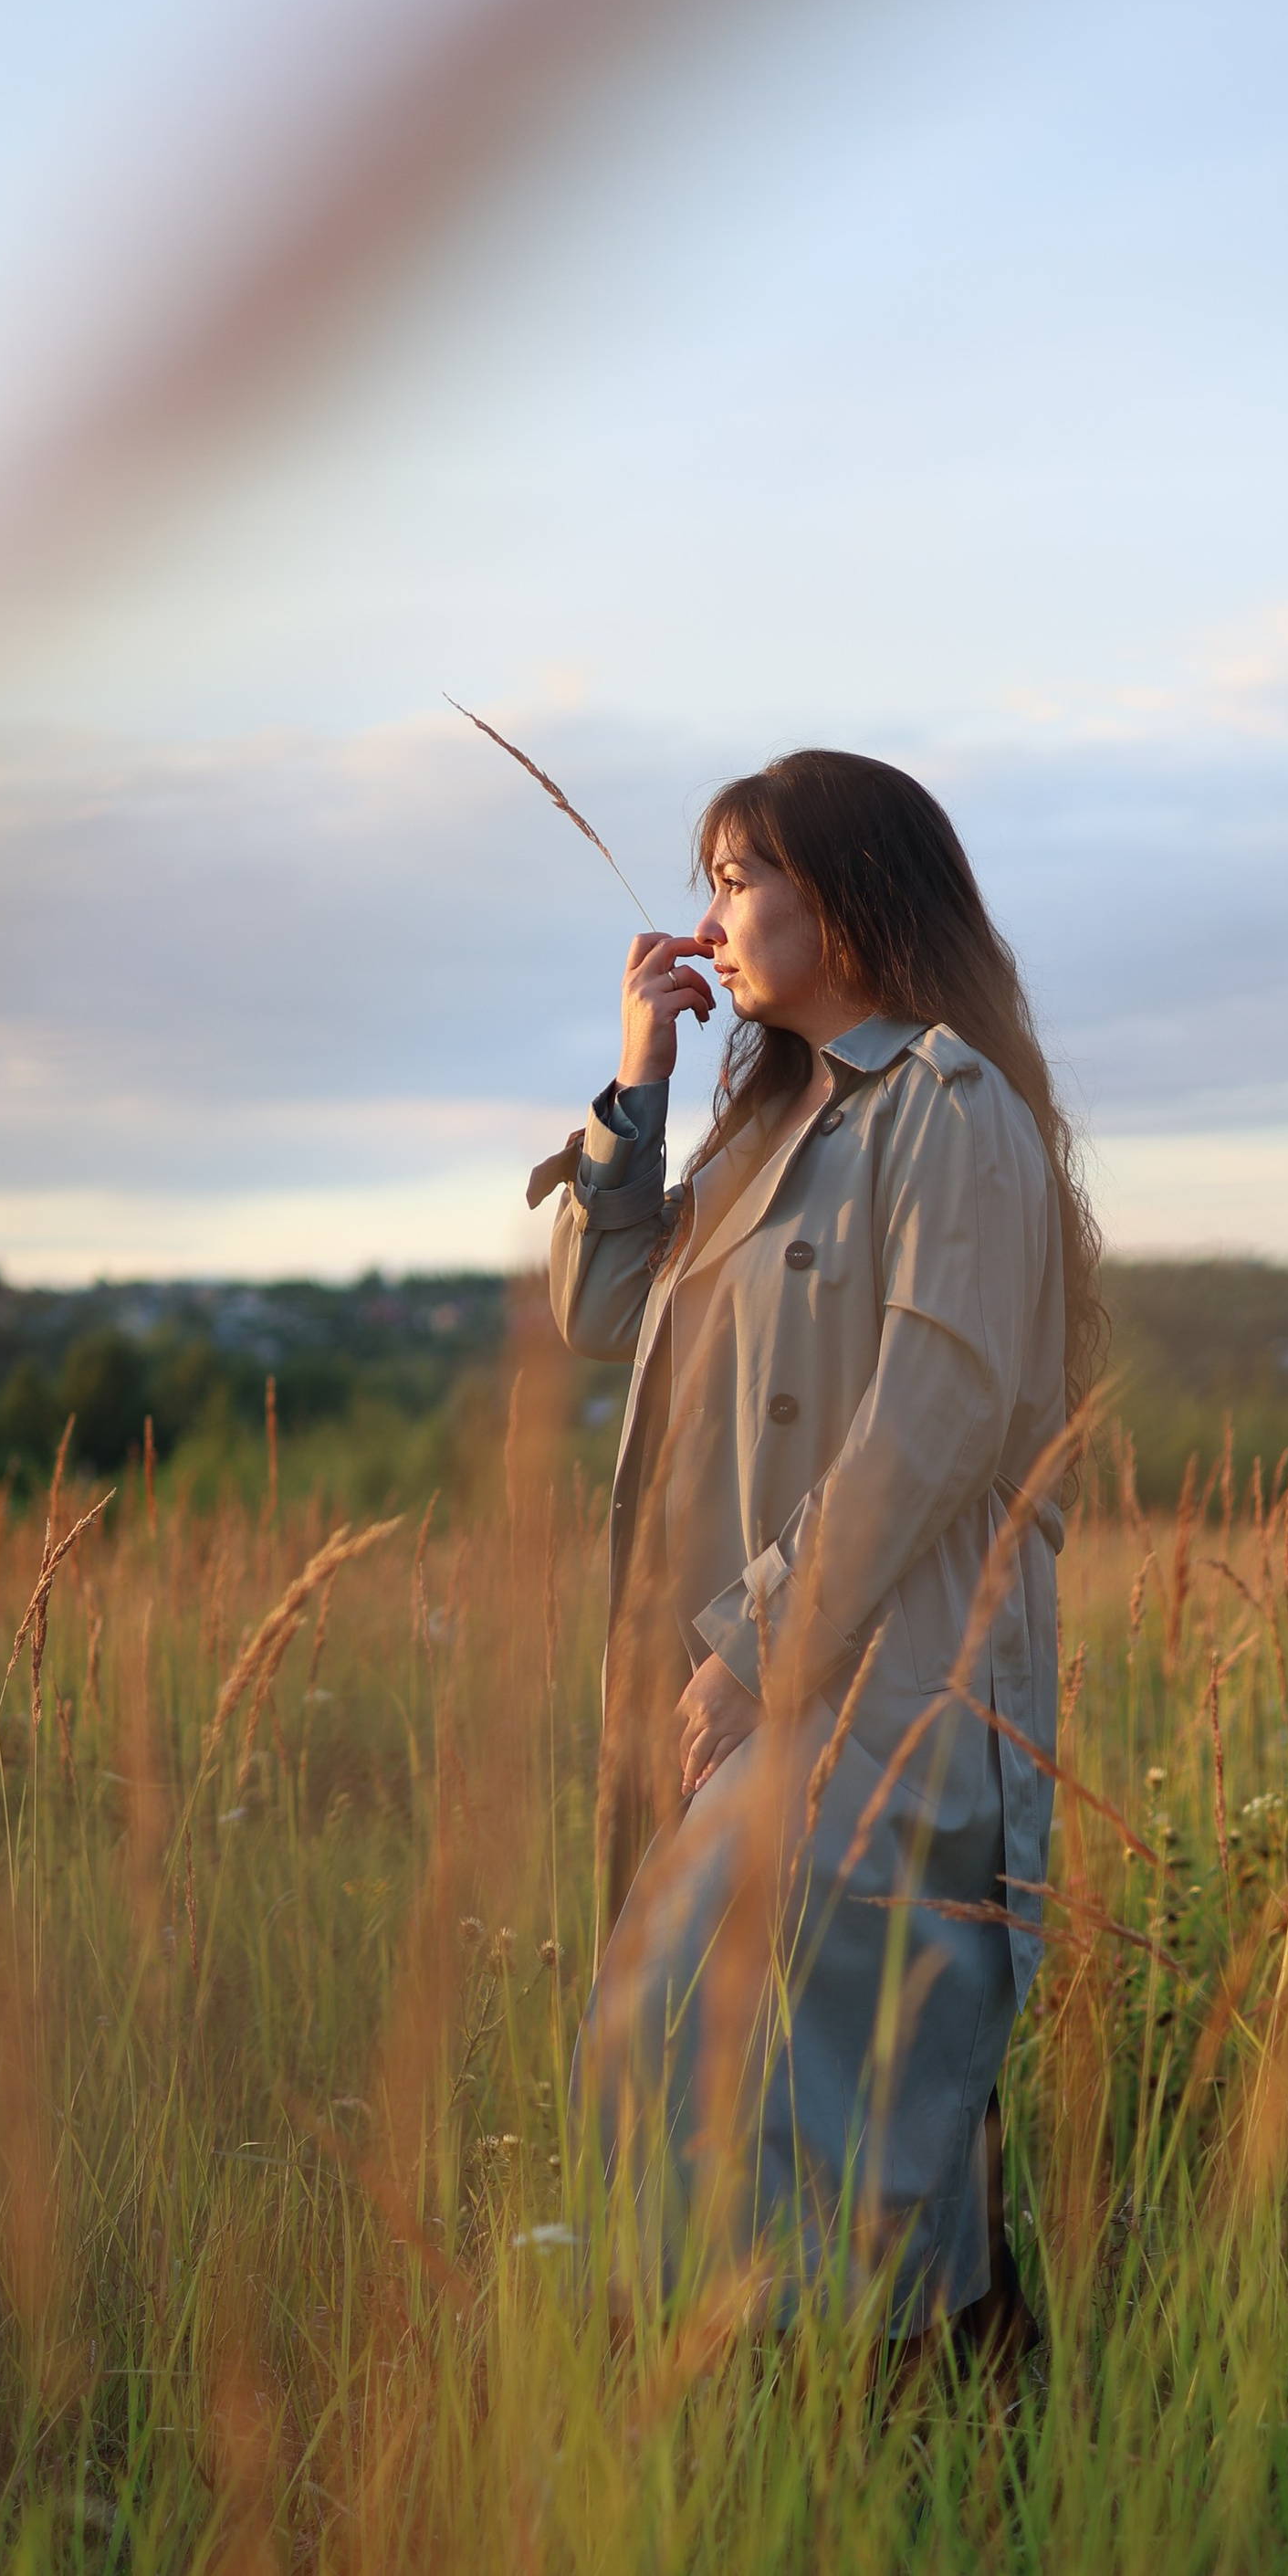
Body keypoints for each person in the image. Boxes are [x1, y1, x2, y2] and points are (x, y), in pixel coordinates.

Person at [538, 750, 1100, 2350]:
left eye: (736, 876)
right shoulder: (758, 1138)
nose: (707, 913)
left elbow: (938, 1402)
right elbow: (594, 1312)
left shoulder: (950, 1108)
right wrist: (639, 1080)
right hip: (737, 1674)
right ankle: (936, 2459)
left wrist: (759, 1645)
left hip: (878, 1670)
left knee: (727, 2053)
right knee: (808, 2097)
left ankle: (838, 2441)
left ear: (844, 893)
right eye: (711, 879)